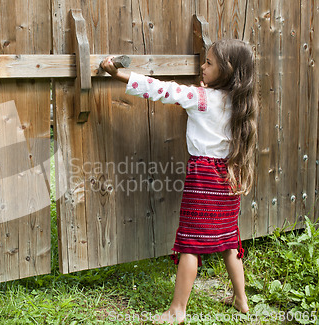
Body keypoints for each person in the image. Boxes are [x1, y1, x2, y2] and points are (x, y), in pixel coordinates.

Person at [100, 39, 257, 324]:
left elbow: (161, 89)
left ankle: (177, 309)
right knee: (229, 240)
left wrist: (118, 73)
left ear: (227, 70)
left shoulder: (201, 97)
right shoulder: (241, 103)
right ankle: (241, 299)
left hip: (204, 178)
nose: (203, 66)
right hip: (229, 176)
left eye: (209, 63)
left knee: (190, 244)